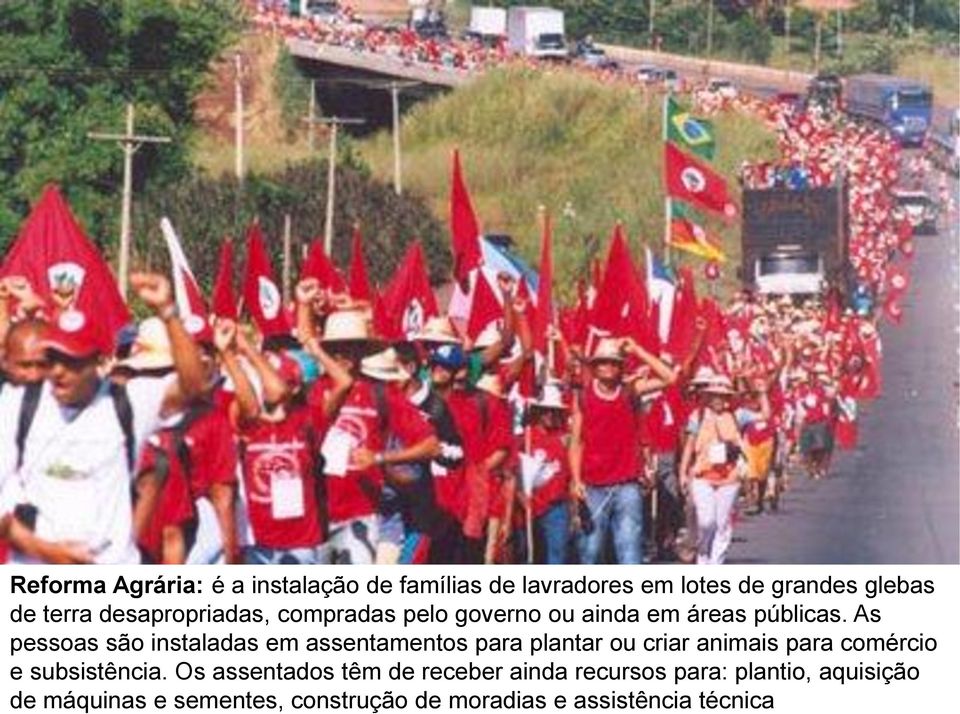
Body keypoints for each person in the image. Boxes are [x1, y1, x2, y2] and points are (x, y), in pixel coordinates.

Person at [0, 272, 206, 564]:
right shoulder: (19, 403)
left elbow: (194, 387)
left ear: (98, 362)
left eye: (71, 361)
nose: (58, 371)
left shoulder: (128, 402)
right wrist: (46, 551)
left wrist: (168, 312)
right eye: (53, 358)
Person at [307, 308, 439, 564]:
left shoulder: (380, 393)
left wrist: (379, 457)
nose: (343, 354)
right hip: (316, 515)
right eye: (336, 347)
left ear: (361, 351)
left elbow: (432, 446)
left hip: (363, 513)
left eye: (351, 347)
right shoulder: (313, 390)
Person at [569, 337, 678, 564]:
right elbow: (576, 442)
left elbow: (670, 378)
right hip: (593, 486)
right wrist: (576, 479)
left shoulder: (630, 391)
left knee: (629, 551)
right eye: (603, 362)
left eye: (614, 362)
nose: (608, 367)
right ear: (595, 366)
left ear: (620, 367)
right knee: (590, 551)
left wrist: (638, 349)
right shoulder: (583, 396)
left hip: (627, 485)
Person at [680, 372, 745, 565]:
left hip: (729, 477)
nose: (718, 399)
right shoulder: (698, 416)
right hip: (702, 475)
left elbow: (764, 414)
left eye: (722, 395)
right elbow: (689, 445)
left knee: (722, 524)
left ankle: (716, 564)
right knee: (706, 522)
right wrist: (683, 472)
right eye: (714, 395)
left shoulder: (737, 416)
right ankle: (703, 556)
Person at [518, 382, 571, 564]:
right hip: (529, 504)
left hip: (557, 505)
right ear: (538, 411)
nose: (550, 414)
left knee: (557, 553)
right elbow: (514, 470)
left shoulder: (564, 437)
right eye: (546, 410)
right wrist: (520, 496)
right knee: (526, 553)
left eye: (554, 410)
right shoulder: (525, 437)